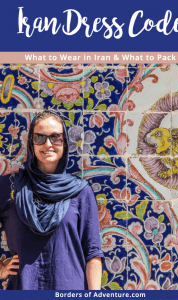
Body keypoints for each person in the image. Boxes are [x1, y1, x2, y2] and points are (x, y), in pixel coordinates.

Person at [0, 110, 104, 290]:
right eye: (40, 138)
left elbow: (93, 253)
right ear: (31, 143)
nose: (48, 144)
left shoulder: (80, 192)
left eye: (55, 137)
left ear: (64, 143)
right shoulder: (10, 186)